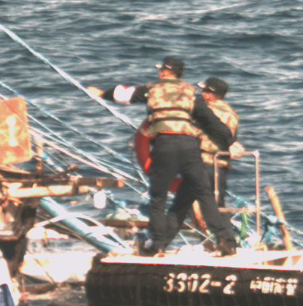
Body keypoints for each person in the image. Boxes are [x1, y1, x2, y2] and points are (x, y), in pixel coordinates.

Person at [87, 56, 236, 255]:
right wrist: (227, 139)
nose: (159, 73)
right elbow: (213, 124)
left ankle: (156, 245)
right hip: (189, 149)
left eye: (161, 70)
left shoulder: (152, 89)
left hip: (165, 147)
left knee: (158, 199)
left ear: (165, 72)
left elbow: (123, 94)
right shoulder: (192, 94)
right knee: (205, 195)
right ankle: (226, 241)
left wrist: (101, 93)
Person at [169, 76, 242, 229]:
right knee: (218, 205)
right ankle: (227, 242)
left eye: (203, 91)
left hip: (200, 162)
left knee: (182, 205)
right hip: (220, 165)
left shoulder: (203, 111)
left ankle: (160, 242)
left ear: (209, 94)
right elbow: (231, 138)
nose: (201, 94)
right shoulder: (231, 113)